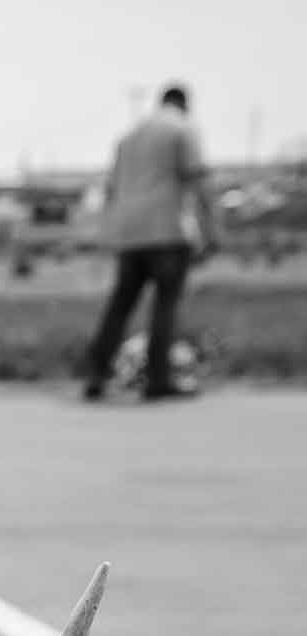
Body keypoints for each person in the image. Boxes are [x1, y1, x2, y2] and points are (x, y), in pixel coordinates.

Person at [82, 85, 218, 401]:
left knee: (120, 305)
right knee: (165, 305)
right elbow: (199, 181)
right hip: (167, 230)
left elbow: (112, 188)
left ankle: (96, 373)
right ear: (184, 104)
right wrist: (210, 230)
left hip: (130, 234)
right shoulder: (182, 129)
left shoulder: (128, 137)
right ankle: (159, 379)